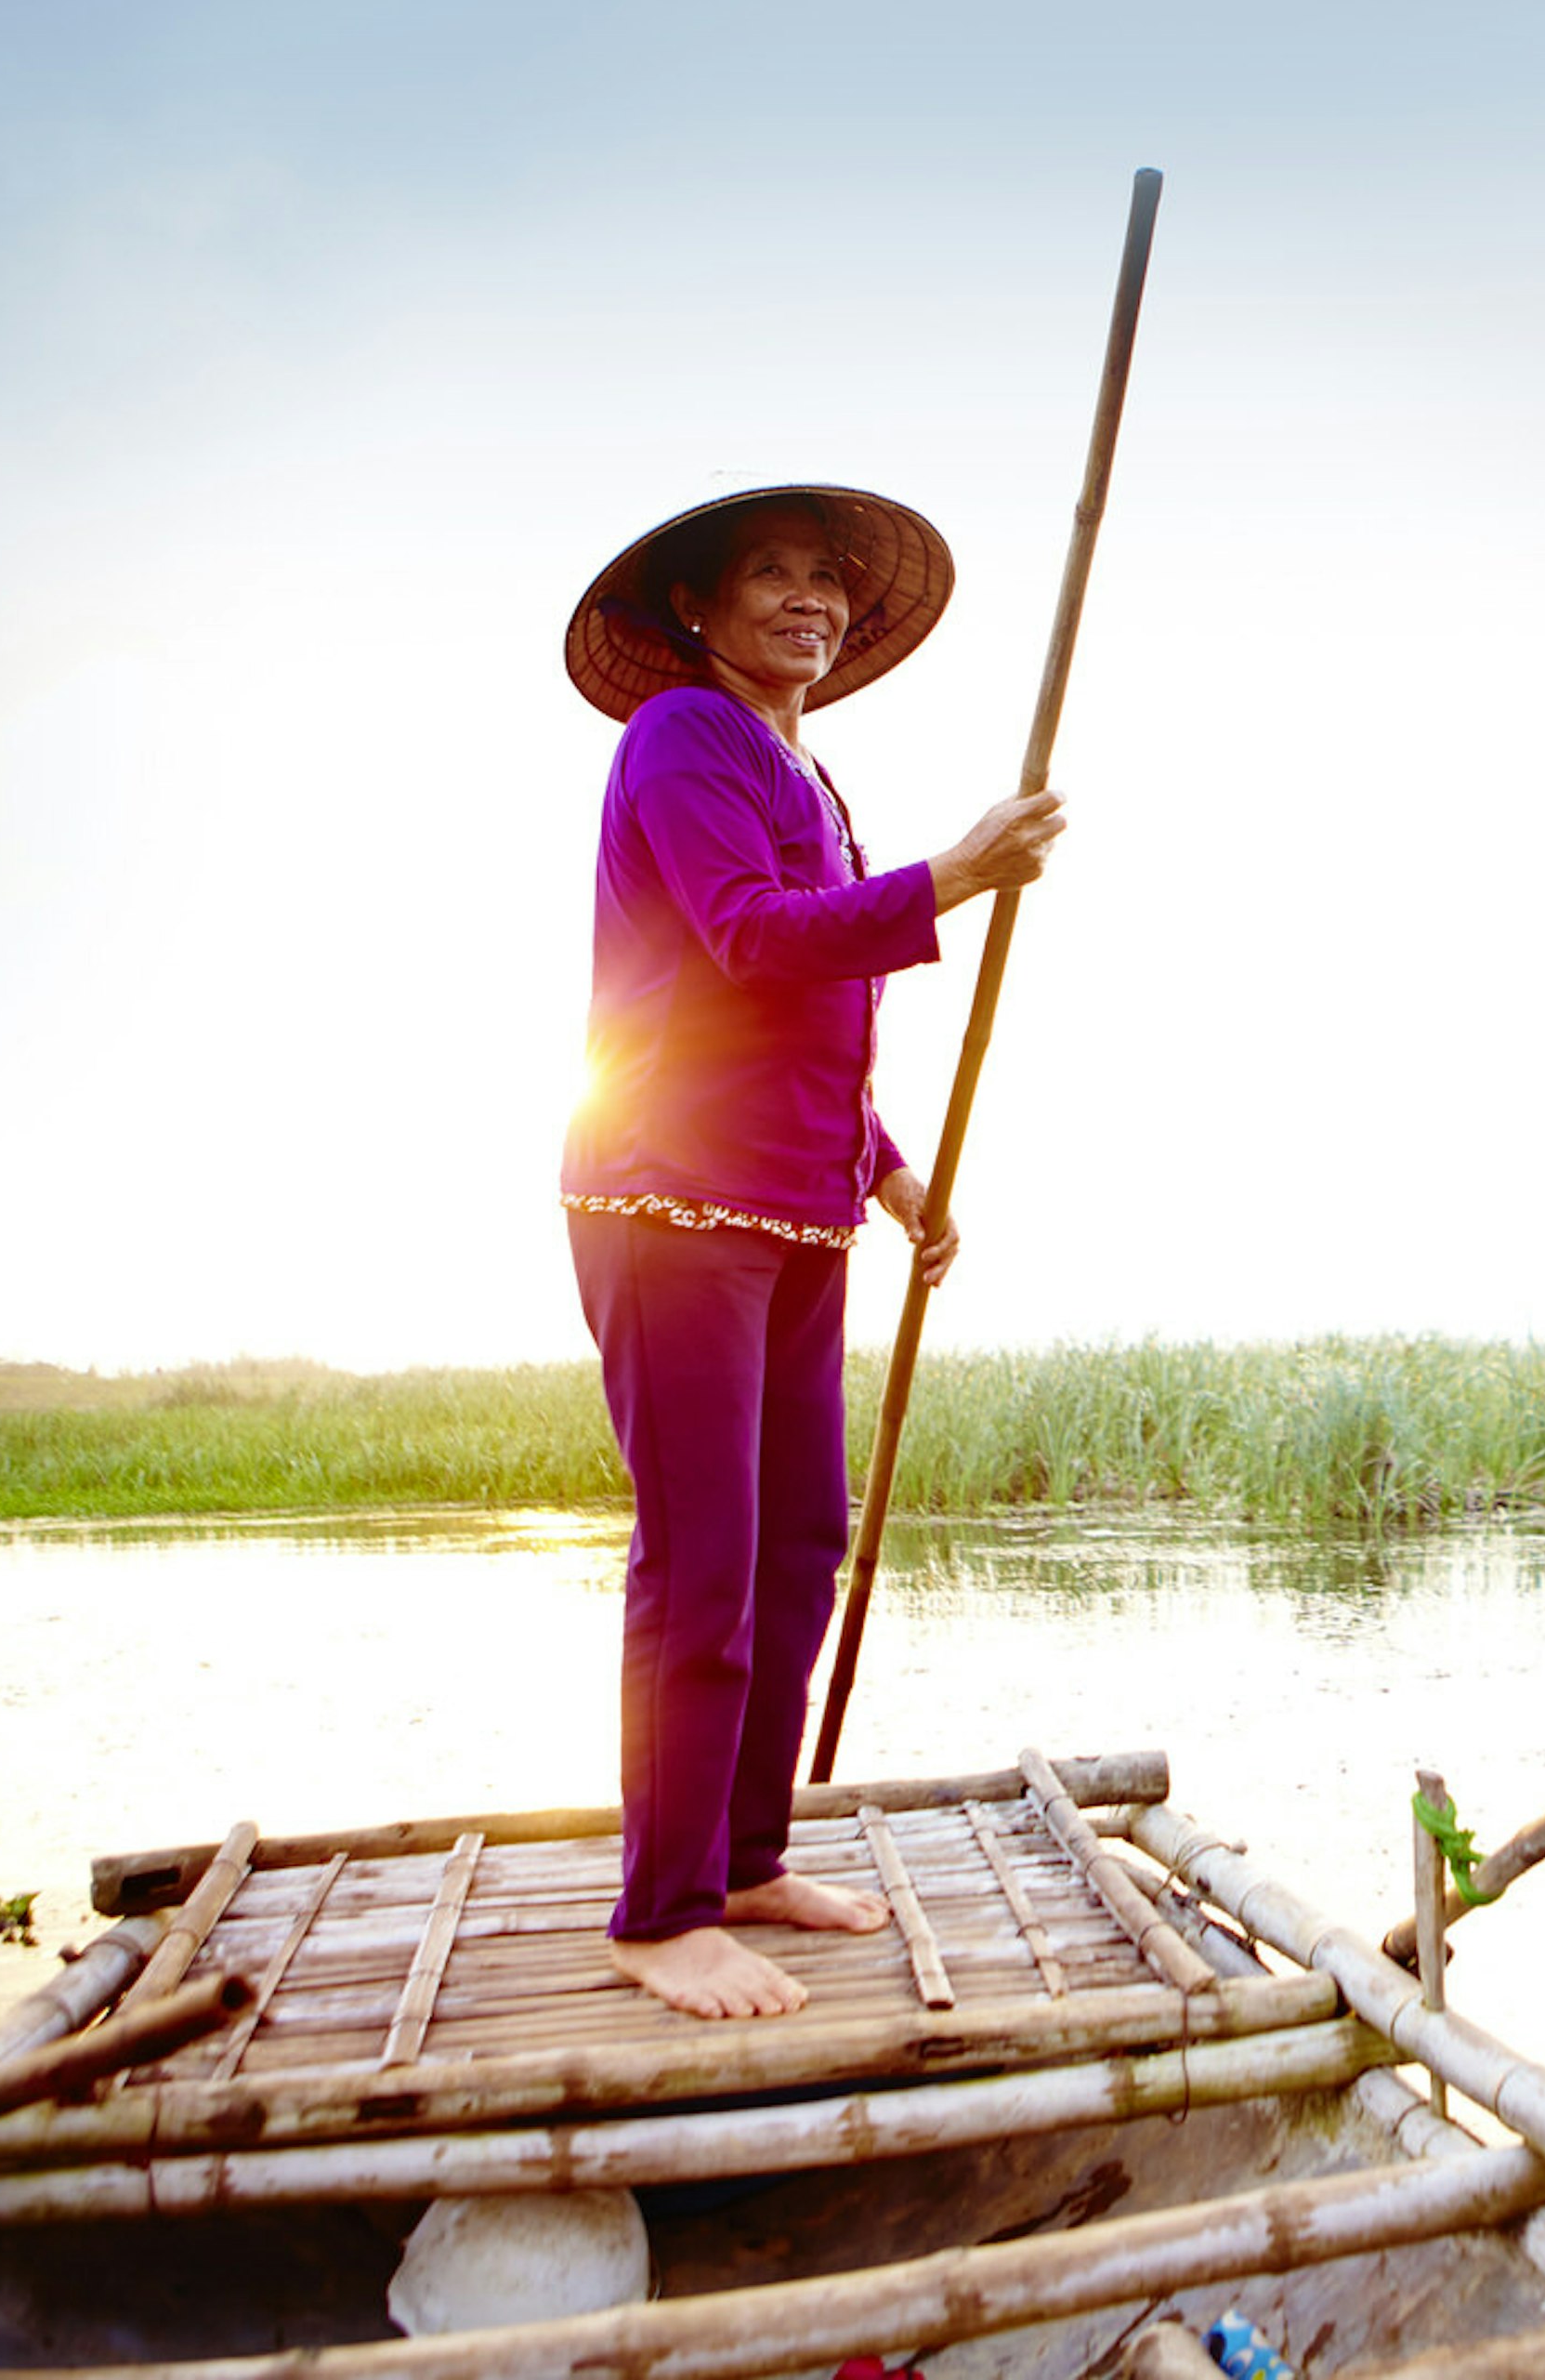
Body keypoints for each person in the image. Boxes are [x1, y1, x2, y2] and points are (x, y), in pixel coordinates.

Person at [556, 484, 1063, 2019]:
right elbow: (752, 940)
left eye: (826, 581)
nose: (808, 598)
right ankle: (662, 1911)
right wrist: (955, 877)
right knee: (702, 1553)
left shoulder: (808, 771)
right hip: (668, 1199)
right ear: (697, 614)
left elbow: (806, 1026)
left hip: (795, 1204)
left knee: (798, 1541)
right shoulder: (682, 742)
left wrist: (895, 1174)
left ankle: (749, 1852)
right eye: (768, 575)